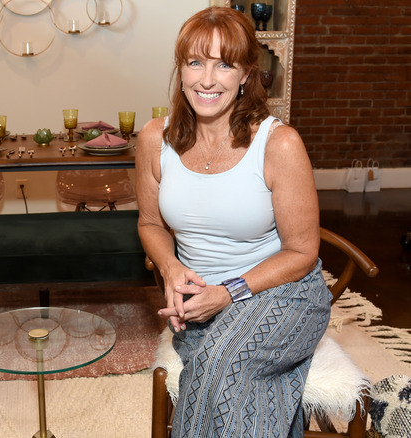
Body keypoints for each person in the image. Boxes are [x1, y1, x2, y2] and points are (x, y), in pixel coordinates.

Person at [136, 7, 330, 437]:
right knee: (229, 372)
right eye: (196, 62)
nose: (207, 79)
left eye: (224, 64)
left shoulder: (278, 143)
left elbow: (303, 252)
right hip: (199, 306)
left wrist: (229, 292)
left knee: (218, 363)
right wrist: (170, 267)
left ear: (246, 74)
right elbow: (150, 223)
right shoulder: (155, 138)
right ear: (180, 68)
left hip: (283, 294)